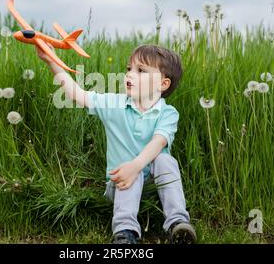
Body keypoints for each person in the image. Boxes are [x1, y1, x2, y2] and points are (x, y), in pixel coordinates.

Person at [35, 43, 196, 244]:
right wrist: (52, 61)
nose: (129, 75)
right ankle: (125, 232)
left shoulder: (168, 114)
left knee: (165, 160)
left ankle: (177, 223)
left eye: (141, 71)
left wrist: (135, 166)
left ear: (162, 84)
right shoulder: (114, 104)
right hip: (120, 186)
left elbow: (159, 141)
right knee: (128, 171)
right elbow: (77, 94)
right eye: (129, 69)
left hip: (155, 189)